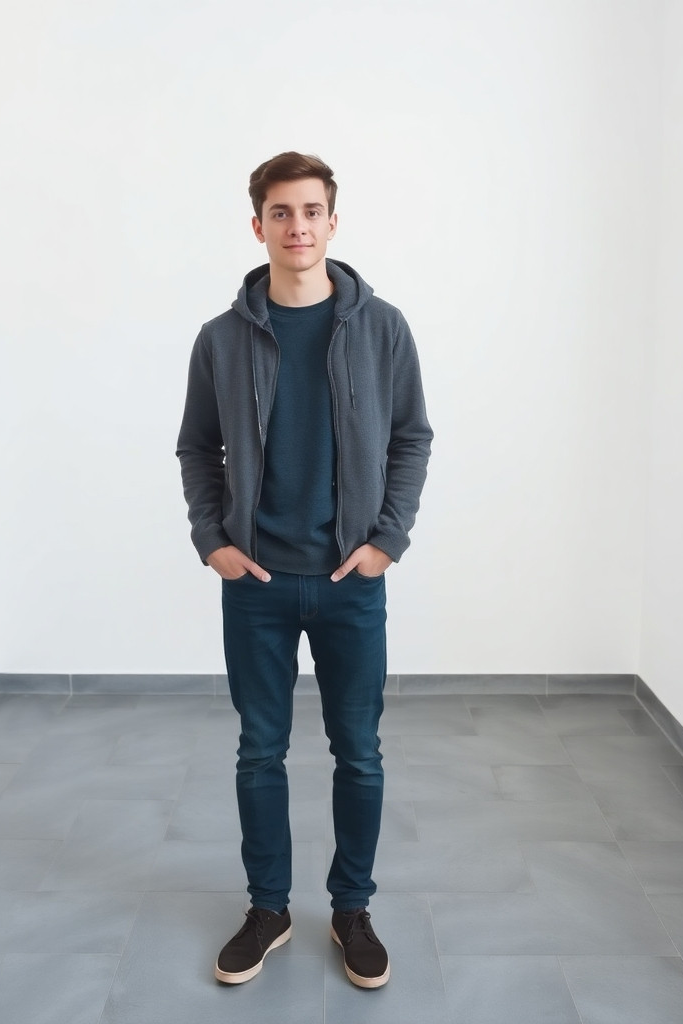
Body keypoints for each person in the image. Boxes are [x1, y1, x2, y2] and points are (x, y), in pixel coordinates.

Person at [176, 151, 432, 989]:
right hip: (255, 583)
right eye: (281, 213)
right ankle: (269, 909)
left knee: (358, 751)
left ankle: (352, 908)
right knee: (261, 751)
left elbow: (410, 438)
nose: (298, 227)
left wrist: (387, 540)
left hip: (349, 580)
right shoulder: (220, 339)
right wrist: (212, 538)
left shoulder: (383, 327)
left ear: (333, 221)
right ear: (258, 226)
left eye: (311, 211)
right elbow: (197, 447)